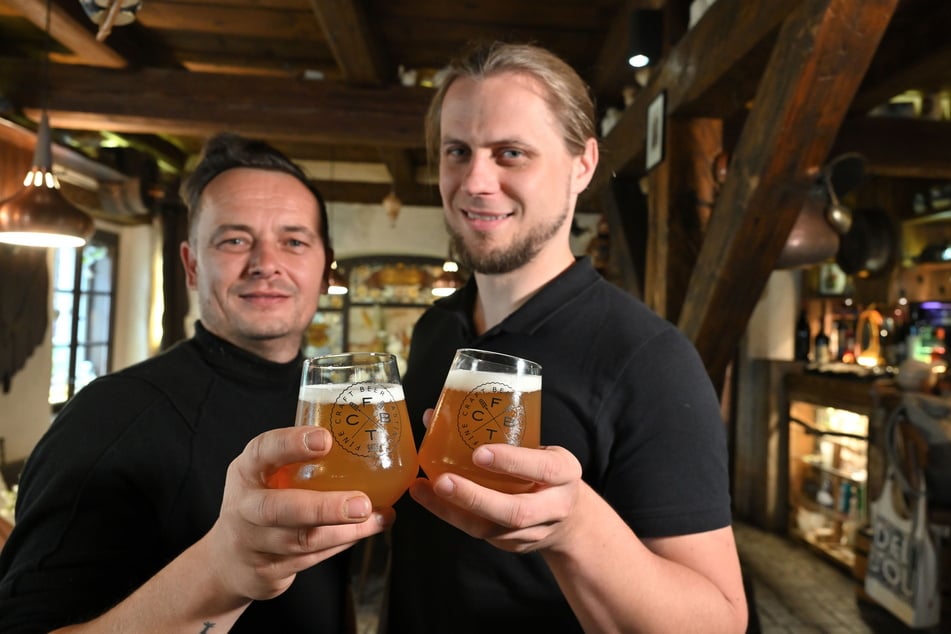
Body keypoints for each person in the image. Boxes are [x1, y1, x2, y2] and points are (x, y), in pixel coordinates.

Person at [386, 42, 748, 633]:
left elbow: (719, 622)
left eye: (511, 153)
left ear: (582, 164)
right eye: (458, 152)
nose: (477, 181)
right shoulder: (437, 327)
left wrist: (576, 525)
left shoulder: (650, 359)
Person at [0, 133, 391, 632]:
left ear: (323, 268)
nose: (265, 263)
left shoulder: (334, 407)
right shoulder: (109, 417)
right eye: (234, 240)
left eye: (293, 241)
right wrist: (220, 569)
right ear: (190, 265)